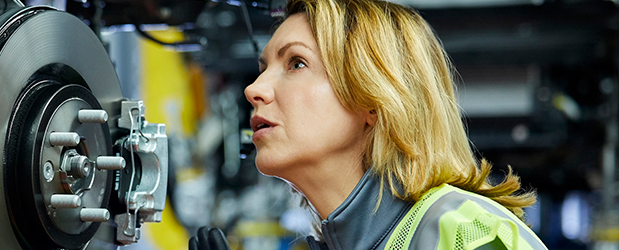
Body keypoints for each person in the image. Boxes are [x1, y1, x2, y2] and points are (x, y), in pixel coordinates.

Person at [190, 0, 548, 249]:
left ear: (373, 100)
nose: (254, 89)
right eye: (262, 68)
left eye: (296, 63)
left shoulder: (461, 231)